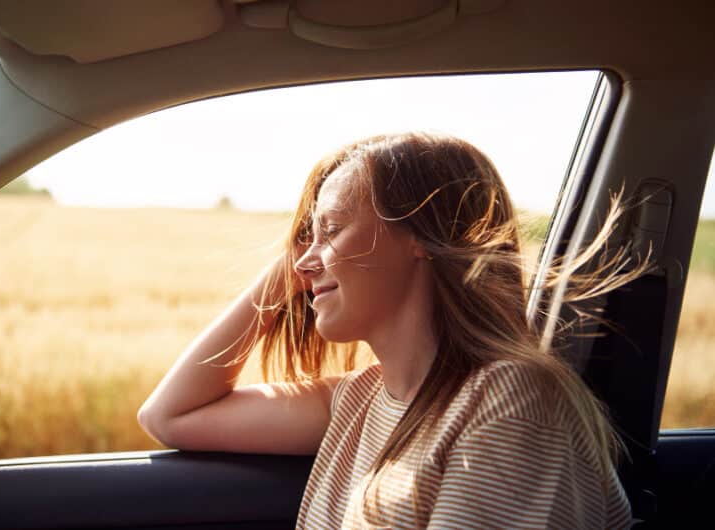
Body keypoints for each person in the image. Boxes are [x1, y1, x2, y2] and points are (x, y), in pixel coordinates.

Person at [138, 132, 639, 529]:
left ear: (421, 237)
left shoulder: (511, 398)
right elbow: (170, 416)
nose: (304, 263)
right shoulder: (359, 400)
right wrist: (301, 259)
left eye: (332, 229)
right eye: (305, 240)